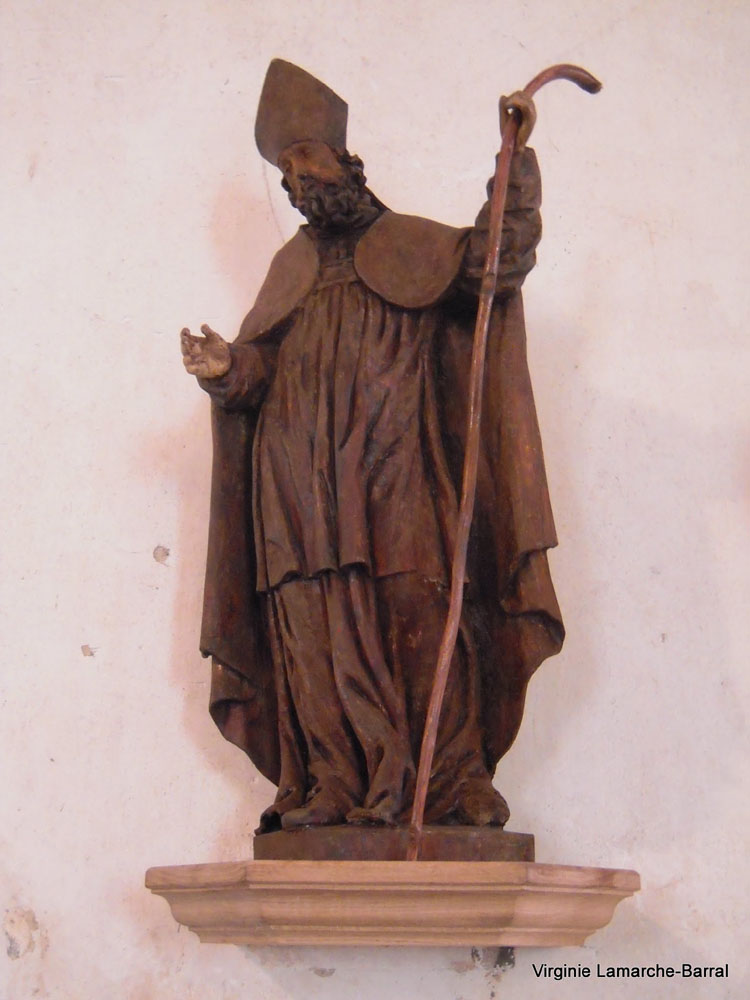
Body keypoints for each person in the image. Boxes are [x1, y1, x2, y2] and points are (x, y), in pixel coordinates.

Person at [181, 60, 563, 833]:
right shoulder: (289, 268)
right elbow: (262, 373)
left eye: (307, 162)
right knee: (310, 625)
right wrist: (227, 369)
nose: (297, 183)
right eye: (287, 174)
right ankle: (330, 778)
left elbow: (499, 259)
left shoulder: (411, 244)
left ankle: (448, 778)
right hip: (296, 484)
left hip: (396, 469)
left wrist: (514, 163)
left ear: (347, 163)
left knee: (421, 606)